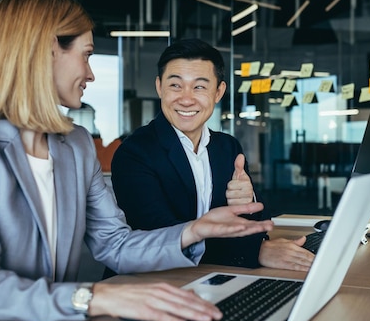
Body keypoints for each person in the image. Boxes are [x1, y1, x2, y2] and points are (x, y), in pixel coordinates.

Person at [0, 0, 273, 321]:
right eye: (87, 54)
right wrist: (93, 298)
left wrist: (194, 230)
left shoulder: (75, 144)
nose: (91, 74)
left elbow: (114, 244)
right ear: (47, 51)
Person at [110, 38, 314, 273]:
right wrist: (253, 252)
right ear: (159, 87)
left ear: (218, 92)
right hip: (149, 284)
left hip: (214, 276)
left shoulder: (227, 148)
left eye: (199, 87)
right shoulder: (135, 152)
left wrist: (247, 202)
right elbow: (161, 236)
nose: (186, 99)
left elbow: (254, 224)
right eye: (175, 85)